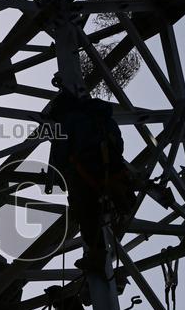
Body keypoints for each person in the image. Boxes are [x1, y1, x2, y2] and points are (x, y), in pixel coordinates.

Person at [44, 88, 134, 273]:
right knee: (116, 199)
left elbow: (60, 155)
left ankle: (97, 256)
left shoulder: (67, 120)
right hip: (114, 168)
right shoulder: (104, 118)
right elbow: (119, 144)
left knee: (85, 213)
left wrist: (62, 178)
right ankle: (122, 206)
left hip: (86, 173)